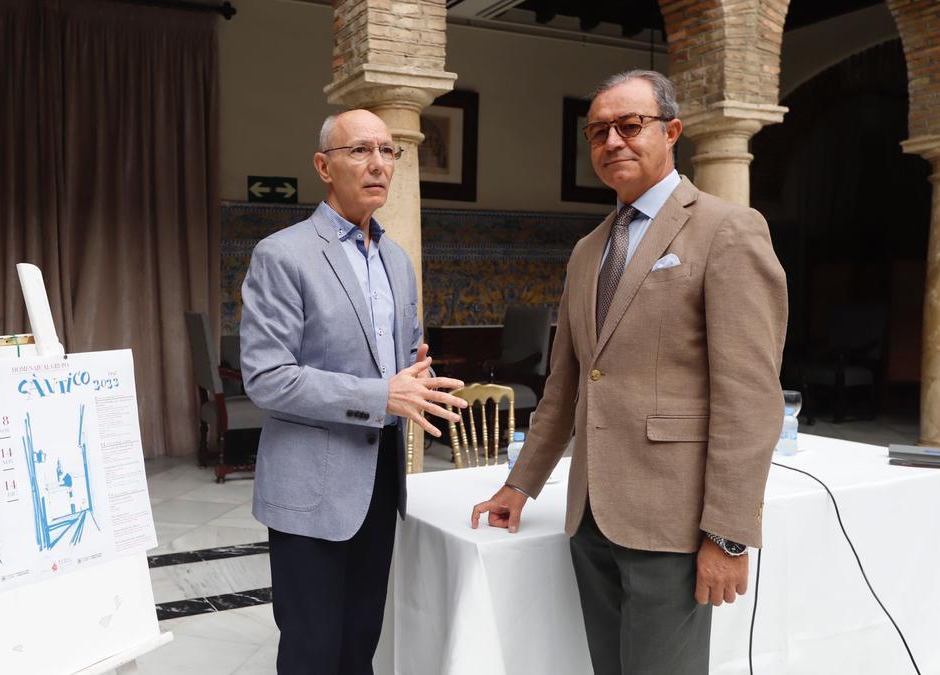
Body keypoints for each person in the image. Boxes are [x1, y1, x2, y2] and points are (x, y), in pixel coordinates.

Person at [471, 70, 788, 674]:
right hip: (590, 517)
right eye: (598, 132)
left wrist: (726, 534)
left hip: (674, 521)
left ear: (671, 131)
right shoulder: (588, 249)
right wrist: (521, 484)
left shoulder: (727, 229)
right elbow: (565, 386)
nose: (612, 141)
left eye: (629, 125)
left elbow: (748, 397)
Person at [241, 109, 466, 675]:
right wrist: (379, 395)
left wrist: (417, 376)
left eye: (389, 152)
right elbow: (266, 377)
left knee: (361, 640)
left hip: (380, 480)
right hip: (310, 486)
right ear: (324, 166)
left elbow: (400, 355)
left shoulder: (396, 259)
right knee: (312, 649)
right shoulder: (283, 254)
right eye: (360, 150)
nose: (378, 165)